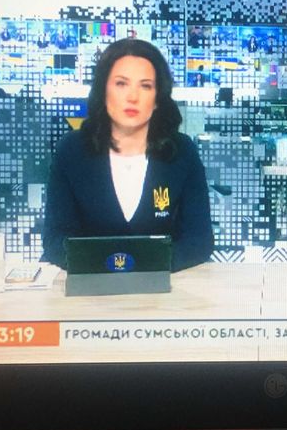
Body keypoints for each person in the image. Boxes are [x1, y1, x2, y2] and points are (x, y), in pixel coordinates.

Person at [42, 39, 214, 272]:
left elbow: (199, 241)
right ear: (104, 91)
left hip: (165, 285)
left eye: (145, 86)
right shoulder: (71, 151)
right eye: (121, 84)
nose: (133, 96)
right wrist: (109, 270)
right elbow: (55, 240)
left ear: (157, 98)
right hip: (89, 286)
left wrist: (143, 268)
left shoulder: (182, 152)